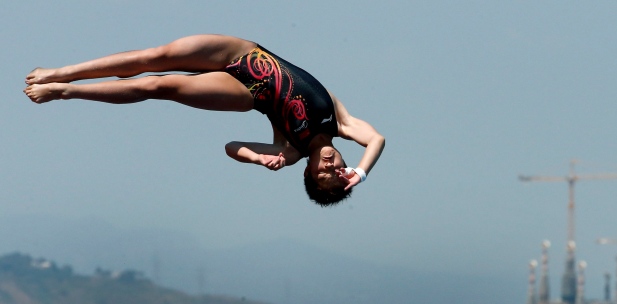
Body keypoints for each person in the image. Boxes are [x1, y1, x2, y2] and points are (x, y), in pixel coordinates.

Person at [24, 34, 385, 207]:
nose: (329, 169)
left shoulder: (290, 151)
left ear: (308, 173)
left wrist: (258, 158)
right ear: (344, 165)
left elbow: (230, 147)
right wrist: (363, 174)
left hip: (245, 92)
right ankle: (62, 72)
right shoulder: (340, 123)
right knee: (156, 55)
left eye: (321, 177)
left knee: (158, 85)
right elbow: (377, 140)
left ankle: (64, 92)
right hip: (243, 52)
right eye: (337, 173)